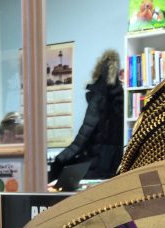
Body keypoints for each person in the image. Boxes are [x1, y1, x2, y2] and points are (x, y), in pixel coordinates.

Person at [48, 49, 123, 182]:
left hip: (95, 167)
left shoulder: (99, 98)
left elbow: (82, 138)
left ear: (98, 71)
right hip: (114, 167)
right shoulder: (121, 98)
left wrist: (59, 160)